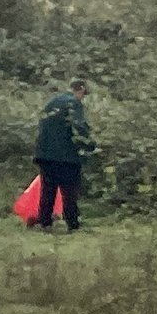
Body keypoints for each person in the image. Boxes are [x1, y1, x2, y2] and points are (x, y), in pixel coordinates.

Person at [32, 79, 95, 232]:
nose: (83, 98)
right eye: (84, 94)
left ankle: (45, 222)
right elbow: (79, 127)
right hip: (67, 156)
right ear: (79, 90)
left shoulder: (51, 103)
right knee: (70, 190)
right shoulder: (74, 103)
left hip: (45, 154)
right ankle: (73, 224)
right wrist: (89, 144)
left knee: (48, 190)